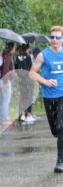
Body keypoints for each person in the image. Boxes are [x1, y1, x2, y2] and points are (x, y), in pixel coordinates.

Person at [30, 26, 63, 173]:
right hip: (49, 96)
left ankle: (60, 161)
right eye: (52, 37)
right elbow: (32, 73)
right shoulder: (43, 55)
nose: (54, 40)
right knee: (55, 130)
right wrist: (44, 81)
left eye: (57, 38)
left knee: (62, 128)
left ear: (62, 39)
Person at [15, 44, 35, 123]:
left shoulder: (18, 57)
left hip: (21, 80)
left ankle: (22, 114)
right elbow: (31, 68)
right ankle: (28, 115)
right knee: (29, 97)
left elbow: (16, 68)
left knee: (22, 98)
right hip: (28, 79)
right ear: (27, 49)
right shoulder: (28, 56)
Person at [0, 42, 15, 126]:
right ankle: (4, 119)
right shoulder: (8, 56)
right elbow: (5, 69)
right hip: (5, 79)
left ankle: (3, 117)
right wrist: (6, 82)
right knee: (6, 100)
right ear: (12, 48)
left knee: (2, 99)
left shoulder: (4, 55)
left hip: (0, 79)